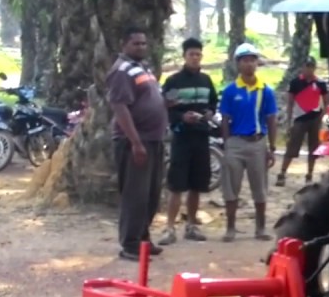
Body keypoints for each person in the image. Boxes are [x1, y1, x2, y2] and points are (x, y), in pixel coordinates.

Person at [107, 25, 168, 261]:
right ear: (124, 44)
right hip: (135, 141)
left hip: (154, 139)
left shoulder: (142, 68)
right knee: (136, 194)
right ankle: (130, 243)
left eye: (144, 43)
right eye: (136, 43)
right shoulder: (121, 70)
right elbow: (120, 107)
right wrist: (135, 142)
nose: (141, 47)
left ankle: (143, 238)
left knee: (151, 193)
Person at [157, 37, 219, 246]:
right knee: (176, 185)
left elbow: (213, 103)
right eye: (191, 54)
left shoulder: (206, 81)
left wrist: (209, 113)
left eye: (198, 54)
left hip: (201, 137)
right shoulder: (174, 82)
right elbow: (167, 107)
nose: (195, 58)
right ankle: (169, 228)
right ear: (184, 56)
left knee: (197, 184)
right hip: (182, 138)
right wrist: (182, 117)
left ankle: (191, 226)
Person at [218, 42, 277, 241]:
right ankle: (230, 228)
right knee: (231, 187)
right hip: (235, 141)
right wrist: (227, 144)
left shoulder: (266, 91)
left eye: (252, 60)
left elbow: (271, 119)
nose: (249, 64)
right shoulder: (230, 91)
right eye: (245, 60)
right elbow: (225, 119)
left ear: (257, 63)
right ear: (238, 64)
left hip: (258, 143)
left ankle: (260, 228)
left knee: (259, 188)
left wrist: (272, 146)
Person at [277, 56, 329, 186]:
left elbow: (326, 101)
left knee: (313, 147)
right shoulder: (295, 83)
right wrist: (289, 120)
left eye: (311, 66)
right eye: (306, 66)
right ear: (302, 67)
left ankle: (309, 174)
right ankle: (282, 173)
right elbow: (290, 103)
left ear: (314, 68)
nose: (308, 69)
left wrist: (321, 117)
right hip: (299, 119)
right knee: (292, 146)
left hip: (314, 119)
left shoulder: (320, 84)